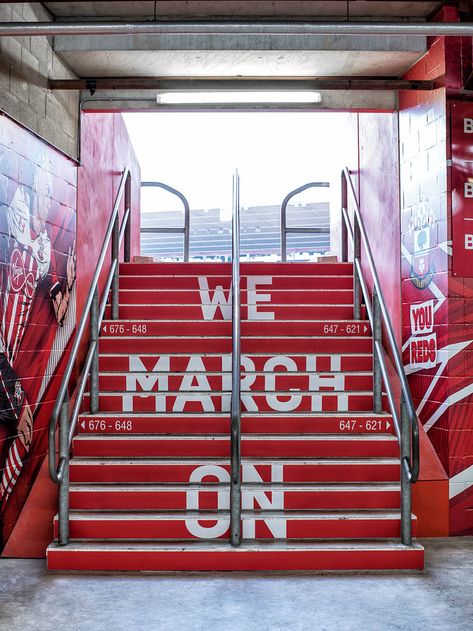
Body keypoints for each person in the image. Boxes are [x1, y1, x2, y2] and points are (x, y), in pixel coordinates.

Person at [0, 160, 75, 510]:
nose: (49, 202)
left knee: (21, 437)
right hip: (2, 356)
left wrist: (65, 289)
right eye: (45, 192)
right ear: (32, 191)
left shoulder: (41, 246)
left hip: (10, 355)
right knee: (23, 428)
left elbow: (52, 291)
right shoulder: (9, 223)